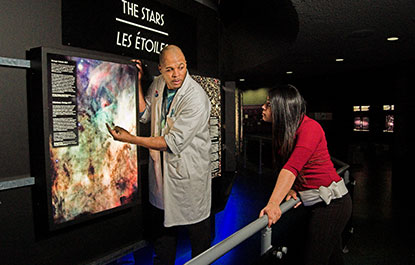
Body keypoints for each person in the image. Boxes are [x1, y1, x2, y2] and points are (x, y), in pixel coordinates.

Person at [107, 45, 212, 265]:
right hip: (162, 175)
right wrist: (137, 82)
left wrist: (130, 139)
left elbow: (172, 142)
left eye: (181, 68)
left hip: (190, 177)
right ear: (161, 69)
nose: (177, 75)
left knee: (199, 239)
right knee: (164, 239)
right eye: (170, 69)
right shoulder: (158, 84)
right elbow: (145, 115)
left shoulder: (196, 97)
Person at [259, 84, 352, 265]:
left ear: (282, 108)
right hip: (317, 202)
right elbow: (291, 168)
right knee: (332, 259)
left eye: (269, 104)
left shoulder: (310, 128)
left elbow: (292, 168)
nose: (263, 107)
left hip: (332, 205)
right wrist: (292, 188)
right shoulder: (285, 131)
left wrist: (273, 204)